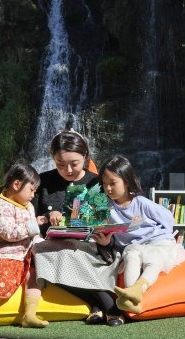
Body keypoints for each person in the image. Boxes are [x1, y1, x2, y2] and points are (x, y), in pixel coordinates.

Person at [32, 129, 125, 326]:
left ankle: (97, 307)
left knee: (73, 254)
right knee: (52, 253)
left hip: (91, 246)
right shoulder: (42, 182)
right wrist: (47, 218)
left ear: (85, 156)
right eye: (60, 164)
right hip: (53, 248)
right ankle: (106, 305)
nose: (68, 170)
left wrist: (107, 240)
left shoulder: (97, 183)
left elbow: (108, 220)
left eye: (74, 163)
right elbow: (28, 219)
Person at [95, 155, 185, 314]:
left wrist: (164, 236)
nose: (108, 188)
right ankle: (130, 298)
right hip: (135, 246)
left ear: (126, 181)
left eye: (113, 183)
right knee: (131, 255)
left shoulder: (141, 202)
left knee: (154, 258)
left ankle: (138, 289)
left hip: (157, 241)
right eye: (104, 184)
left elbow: (167, 218)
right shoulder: (106, 207)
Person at [0, 162, 49, 333]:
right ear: (17, 184)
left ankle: (29, 315)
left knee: (35, 276)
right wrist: (33, 225)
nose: (34, 195)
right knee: (2, 282)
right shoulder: (1, 207)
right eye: (32, 190)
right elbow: (8, 233)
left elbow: (32, 234)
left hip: (25, 253)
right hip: (6, 254)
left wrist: (40, 241)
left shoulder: (28, 206)